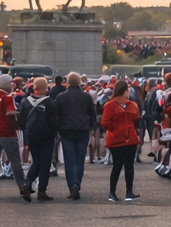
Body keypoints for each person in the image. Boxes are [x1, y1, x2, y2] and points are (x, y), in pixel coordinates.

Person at [0, 75, 30, 201]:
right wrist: (16, 127)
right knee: (15, 161)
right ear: (7, 84)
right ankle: (22, 187)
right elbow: (10, 115)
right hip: (7, 133)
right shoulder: (7, 98)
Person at [53, 72, 97, 200]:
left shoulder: (61, 97)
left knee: (69, 161)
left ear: (67, 82)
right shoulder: (86, 97)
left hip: (66, 131)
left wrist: (58, 129)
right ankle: (77, 184)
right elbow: (92, 114)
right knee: (79, 161)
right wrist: (90, 128)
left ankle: (72, 186)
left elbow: (55, 115)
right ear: (79, 82)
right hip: (82, 130)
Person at [20, 78, 60, 200]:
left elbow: (21, 120)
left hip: (31, 136)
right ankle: (41, 191)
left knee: (36, 161)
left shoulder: (25, 101)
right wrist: (55, 131)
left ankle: (27, 183)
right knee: (45, 164)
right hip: (46, 136)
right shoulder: (48, 102)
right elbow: (53, 120)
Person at [101, 81, 141, 203]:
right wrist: (117, 130)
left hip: (130, 138)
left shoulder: (132, 104)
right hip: (116, 138)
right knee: (117, 165)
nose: (128, 93)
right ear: (122, 91)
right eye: (127, 91)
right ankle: (112, 192)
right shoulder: (110, 105)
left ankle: (129, 192)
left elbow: (136, 117)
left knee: (129, 165)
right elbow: (105, 122)